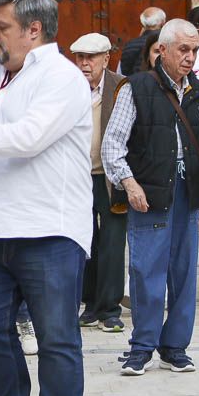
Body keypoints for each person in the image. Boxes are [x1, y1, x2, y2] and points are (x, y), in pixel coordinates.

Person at [0, 0, 92, 396]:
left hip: (49, 229)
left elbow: (28, 138)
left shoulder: (62, 76)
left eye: (1, 28)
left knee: (55, 337)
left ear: (34, 31)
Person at [102, 18, 199, 375]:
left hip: (187, 192)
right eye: (184, 50)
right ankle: (142, 347)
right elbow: (113, 144)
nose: (190, 57)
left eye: (194, 50)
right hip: (148, 192)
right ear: (163, 50)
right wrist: (130, 184)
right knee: (145, 272)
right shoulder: (136, 88)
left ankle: (175, 347)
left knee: (184, 273)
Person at [70, 33, 128, 333]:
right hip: (78, 177)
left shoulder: (121, 87)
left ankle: (110, 309)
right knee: (85, 241)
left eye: (90, 57)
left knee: (113, 242)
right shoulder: (68, 88)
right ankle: (90, 305)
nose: (84, 63)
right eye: (79, 56)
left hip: (112, 177)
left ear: (106, 58)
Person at [118, 7, 166, 76]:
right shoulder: (165, 44)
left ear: (143, 24)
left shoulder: (129, 45)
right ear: (162, 23)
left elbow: (121, 73)